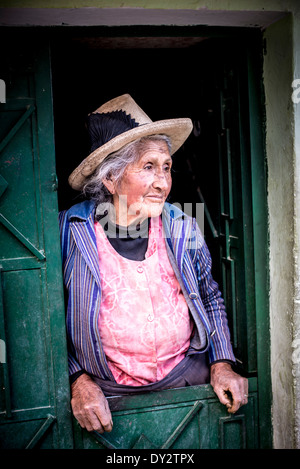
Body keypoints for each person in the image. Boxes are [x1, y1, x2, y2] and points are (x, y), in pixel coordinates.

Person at [59, 94, 248, 435]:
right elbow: (49, 316)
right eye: (148, 167)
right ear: (111, 179)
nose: (163, 182)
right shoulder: (70, 231)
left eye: (166, 167)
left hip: (187, 378)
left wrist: (222, 362)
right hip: (109, 394)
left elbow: (209, 295)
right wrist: (78, 379)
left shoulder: (183, 223)